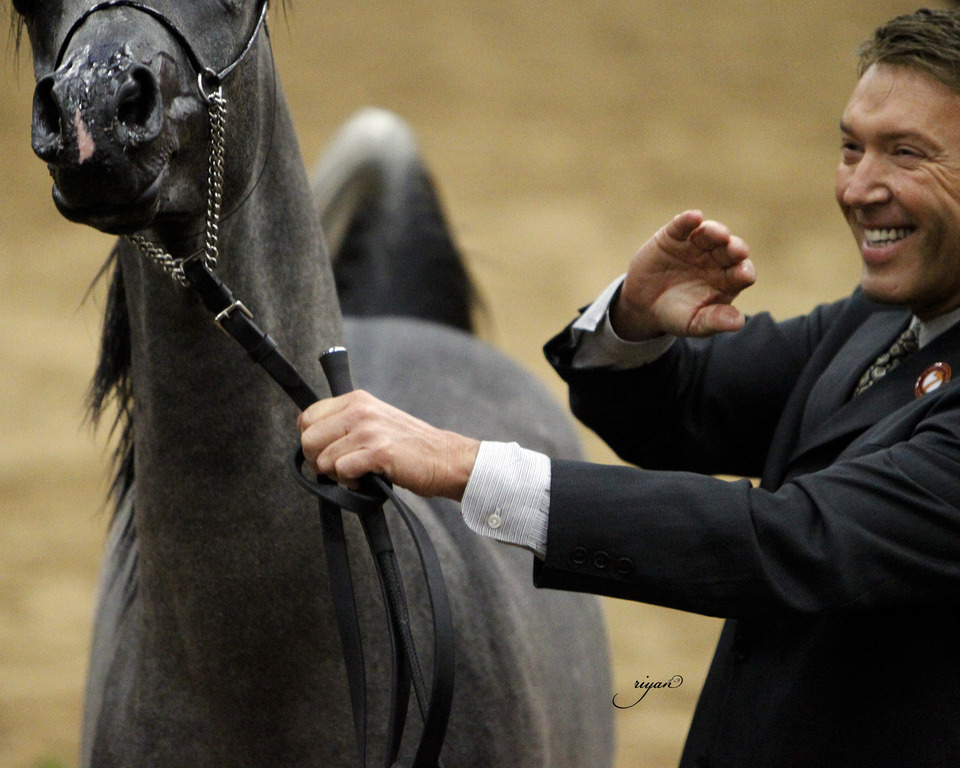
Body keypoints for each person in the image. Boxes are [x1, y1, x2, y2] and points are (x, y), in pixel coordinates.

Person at [300, 9, 960, 766]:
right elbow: (687, 414)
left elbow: (790, 540)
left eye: (906, 154)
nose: (858, 188)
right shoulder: (885, 319)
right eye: (851, 148)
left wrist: (466, 466)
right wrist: (634, 326)